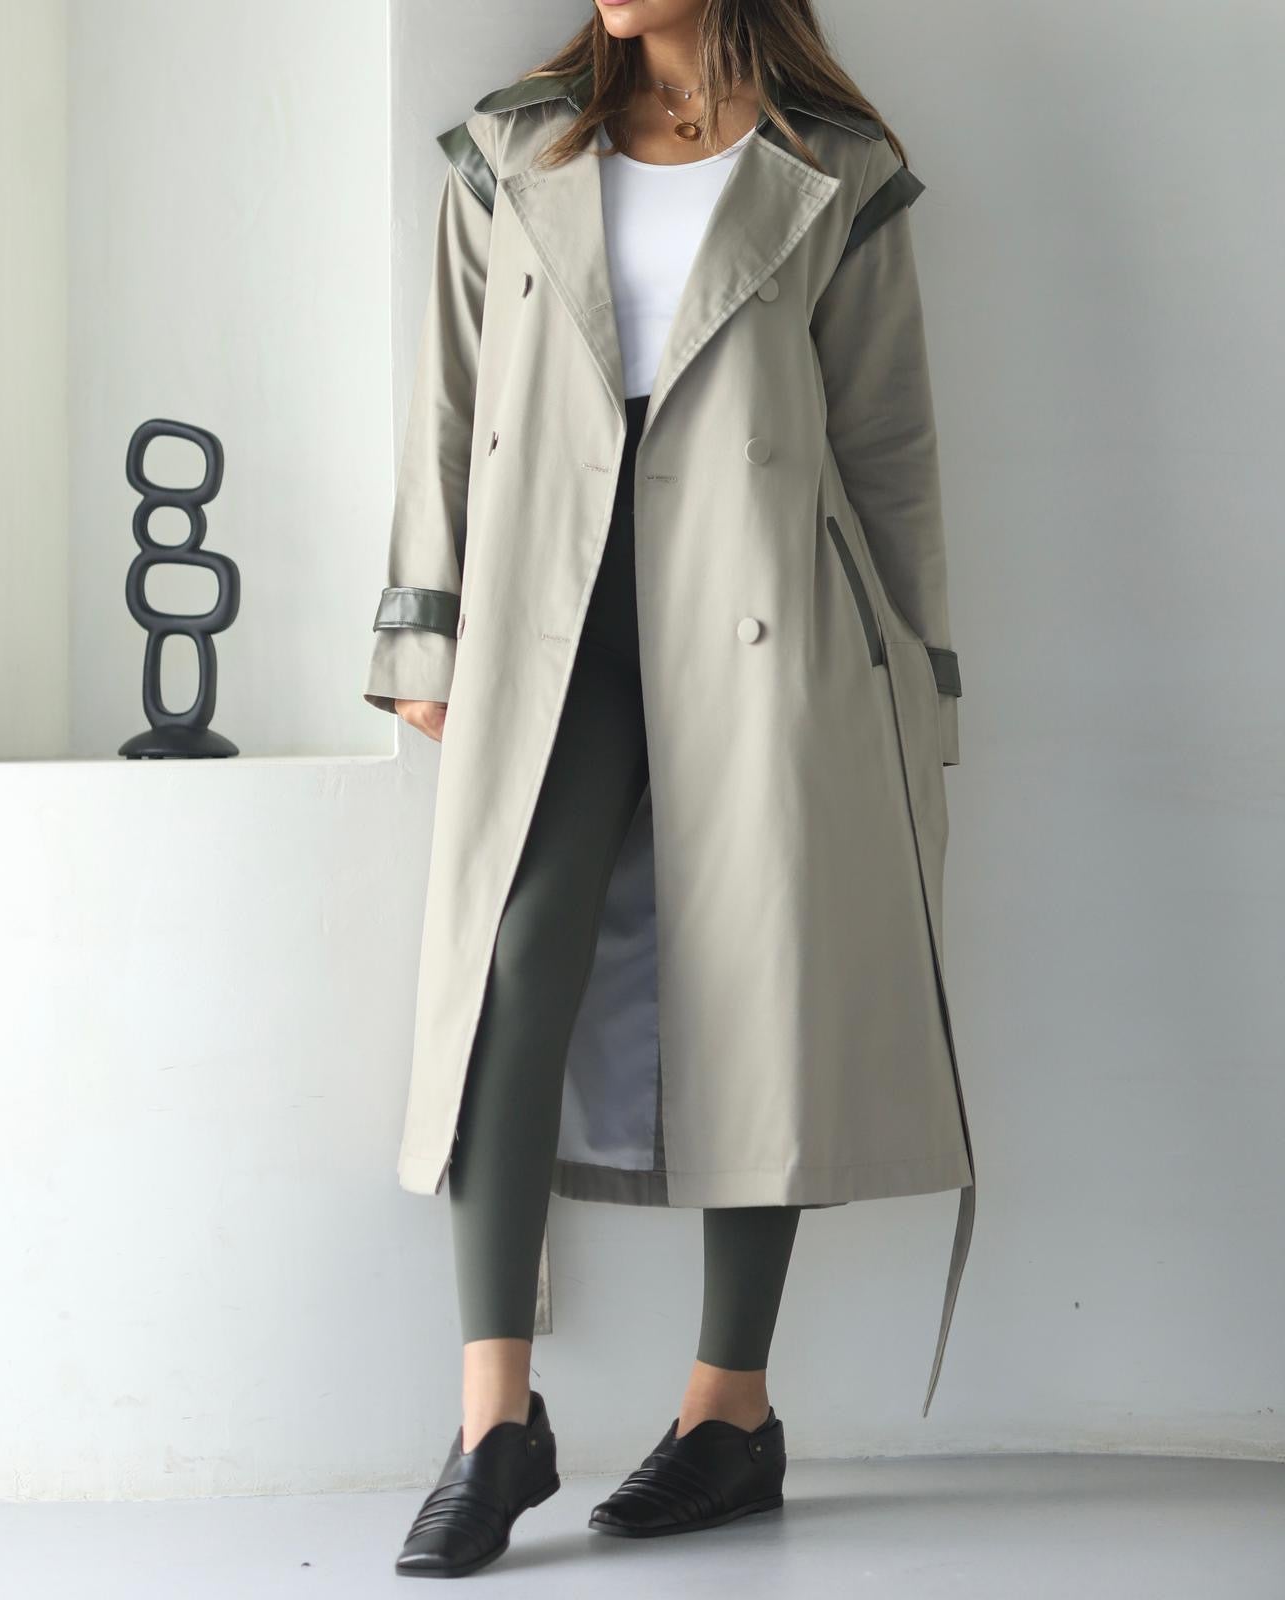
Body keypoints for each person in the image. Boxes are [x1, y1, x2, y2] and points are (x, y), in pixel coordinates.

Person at [365, 0, 973, 1579]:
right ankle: (493, 1422)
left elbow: (889, 445)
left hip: (770, 622)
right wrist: (421, 624)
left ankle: (729, 1415)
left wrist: (914, 680)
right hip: (546, 614)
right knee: (513, 971)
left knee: (754, 984)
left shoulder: (833, 168)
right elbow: (445, 401)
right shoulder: (515, 148)